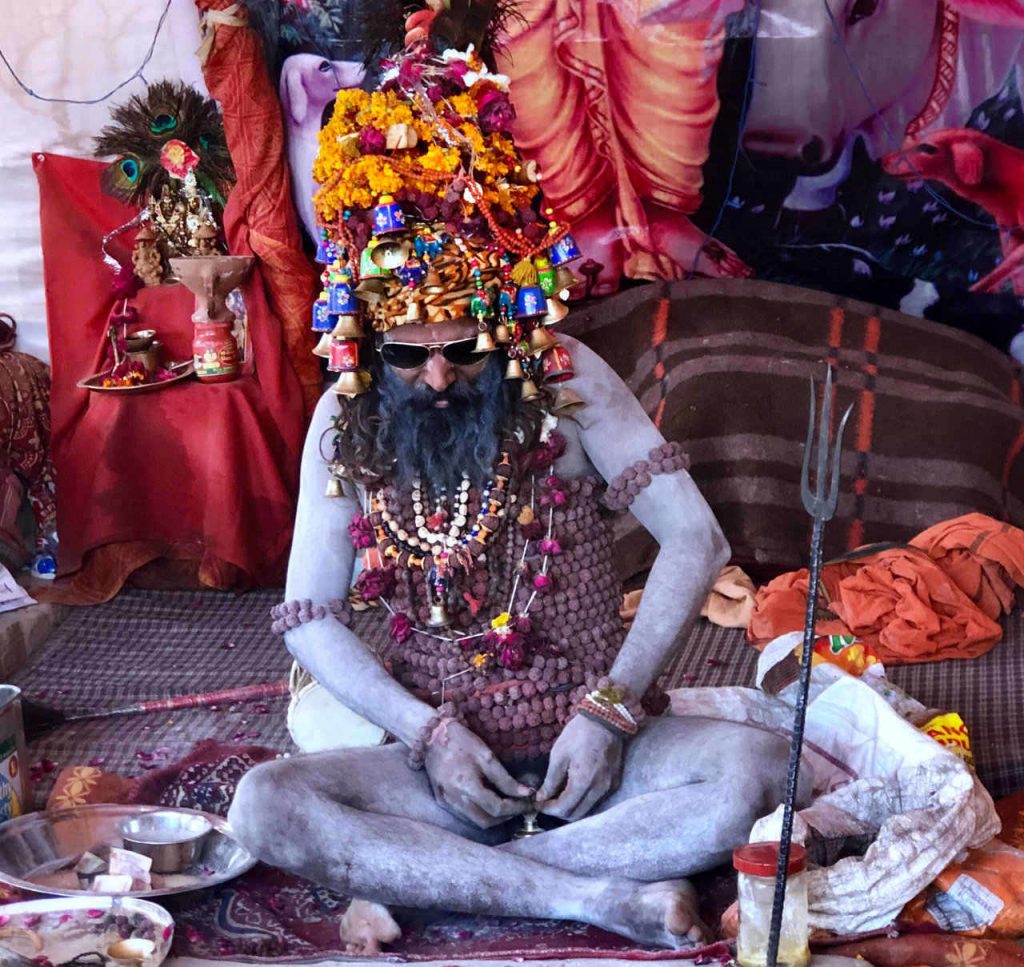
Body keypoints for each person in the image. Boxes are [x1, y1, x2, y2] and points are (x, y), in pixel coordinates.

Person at [228, 12, 796, 953]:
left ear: (508, 320)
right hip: (442, 763)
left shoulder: (566, 382)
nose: (441, 377)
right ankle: (589, 894)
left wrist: (610, 714)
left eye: (467, 349)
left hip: (599, 753)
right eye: (410, 352)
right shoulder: (345, 416)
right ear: (369, 338)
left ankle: (450, 881)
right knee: (266, 805)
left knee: (755, 771)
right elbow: (312, 615)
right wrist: (428, 736)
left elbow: (696, 539)